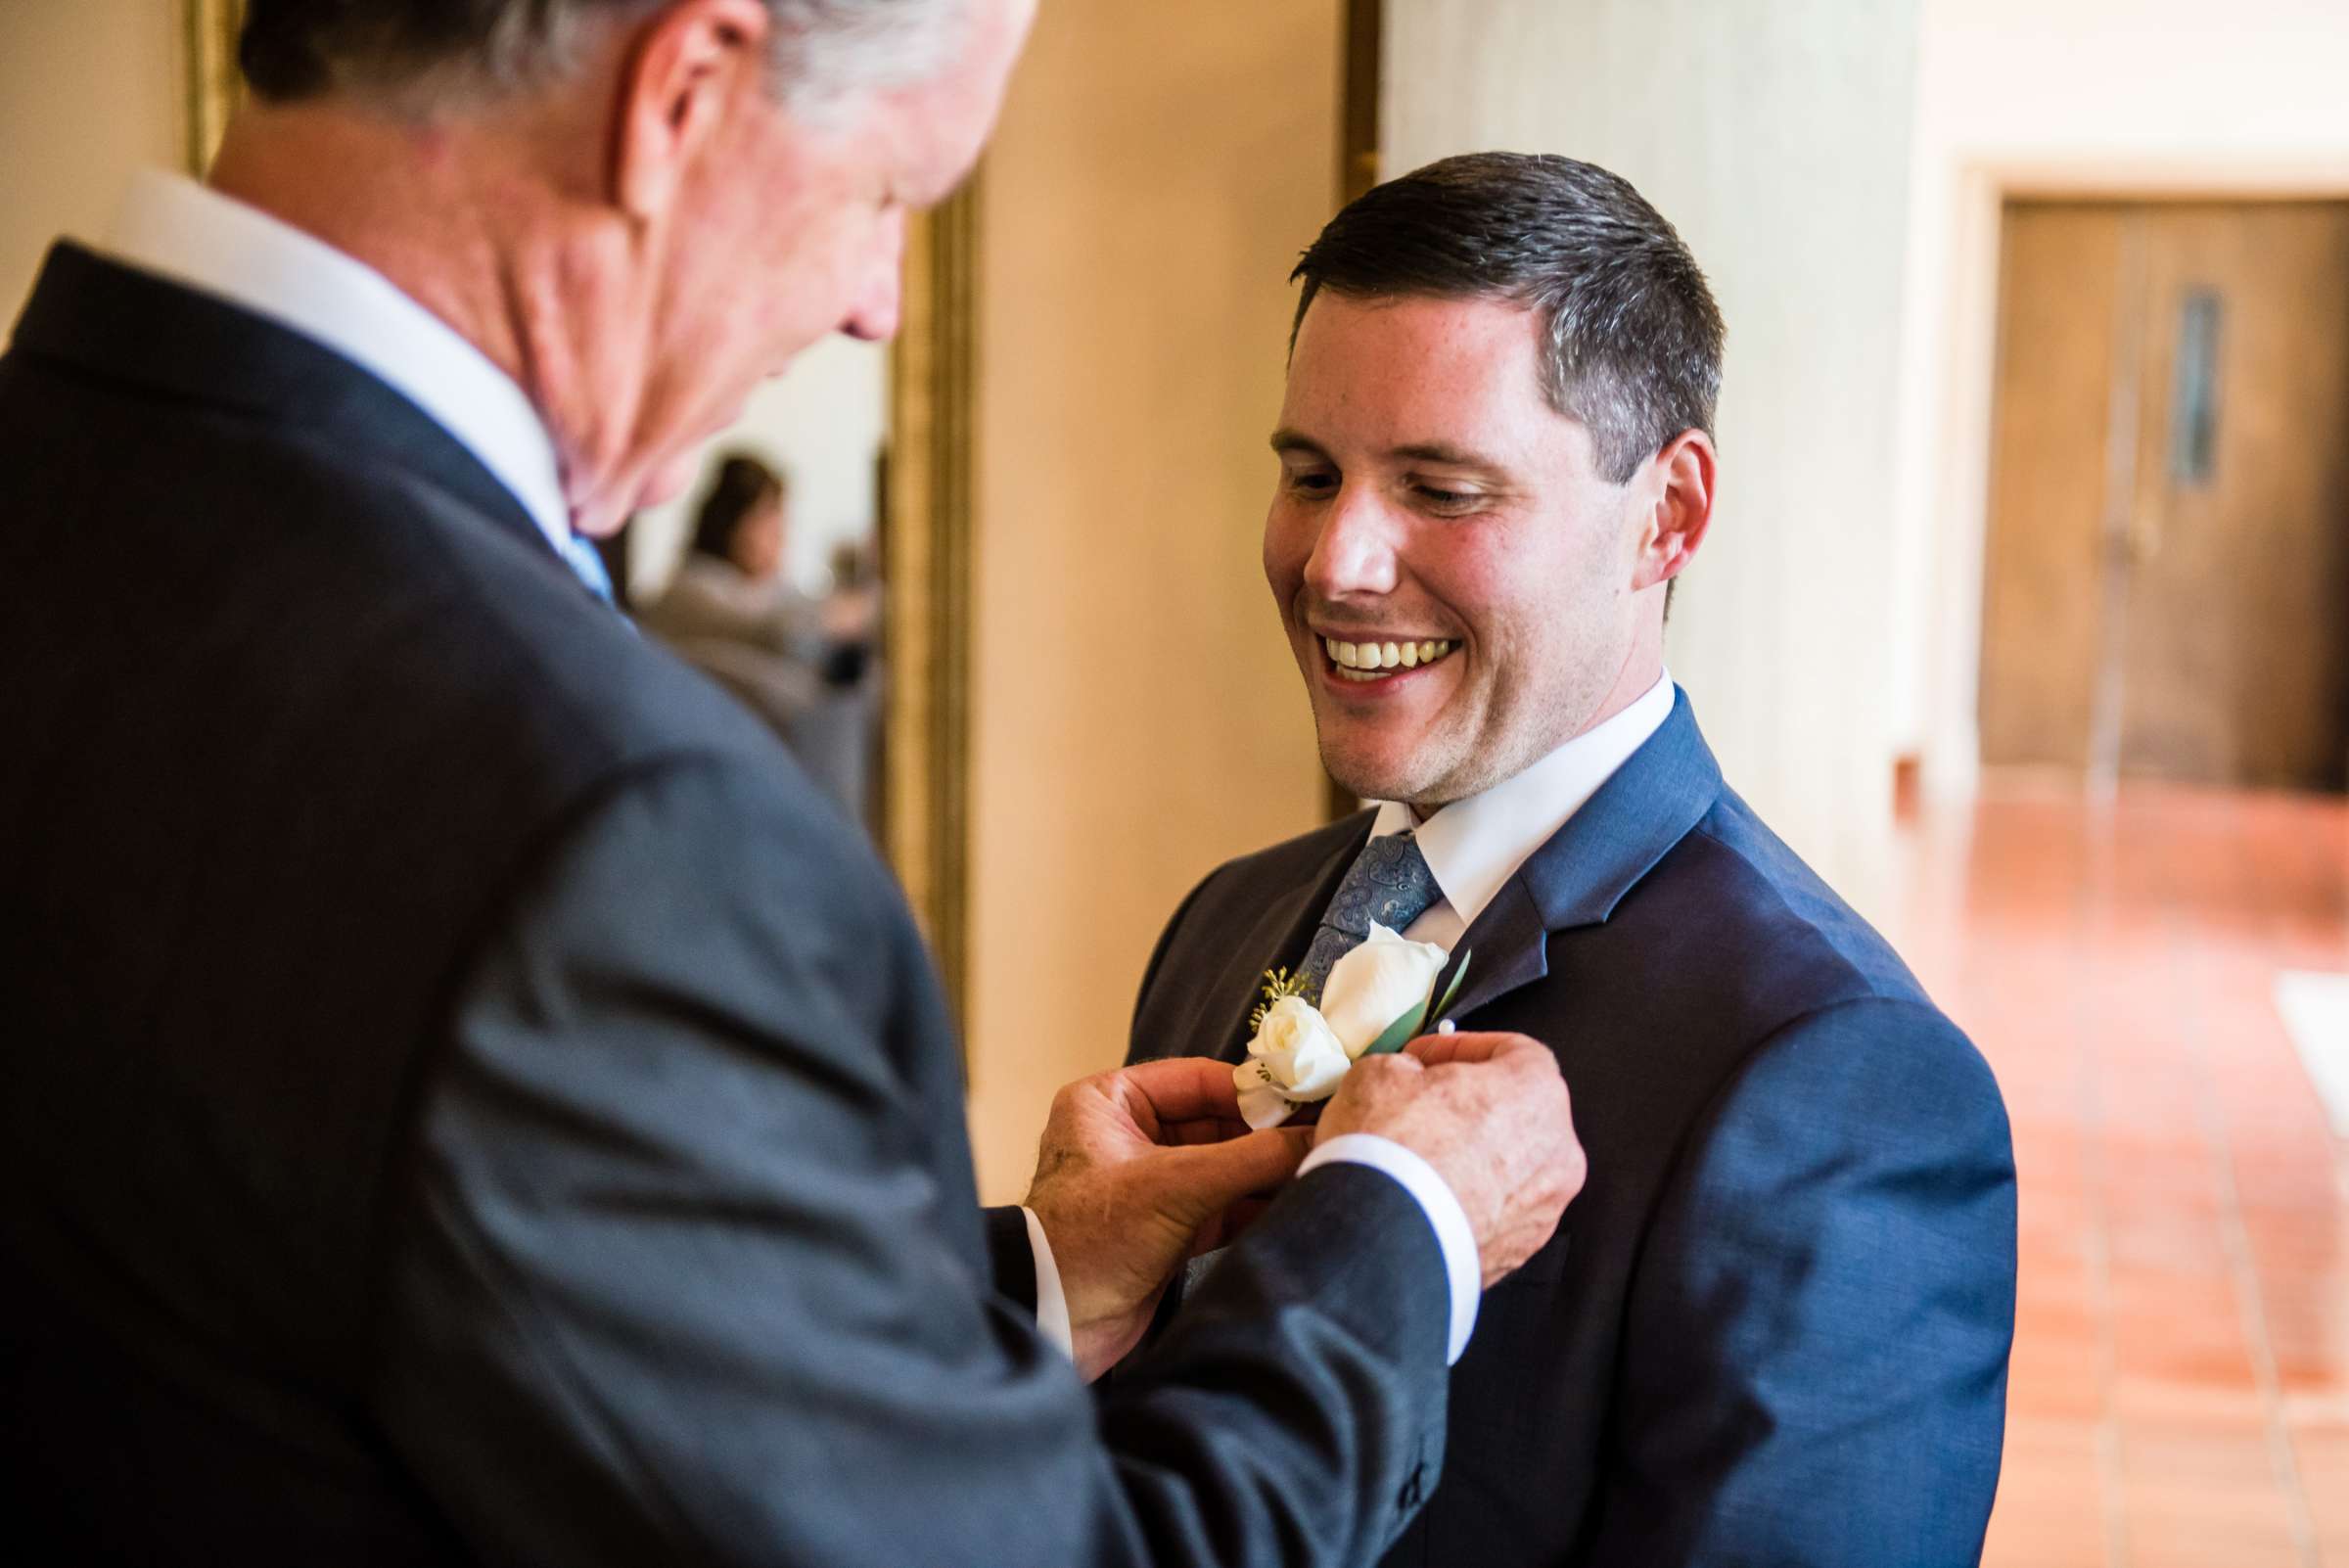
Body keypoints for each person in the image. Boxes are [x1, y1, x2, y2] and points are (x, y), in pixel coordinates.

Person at [0, 5, 1588, 1563]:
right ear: (681, 93)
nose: (876, 304)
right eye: (886, 191)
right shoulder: (607, 833)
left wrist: (1019, 1280)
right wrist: (1401, 1231)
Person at [1125, 152, 2018, 1566]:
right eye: (1311, 472)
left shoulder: (1837, 1081)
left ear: (1667, 515)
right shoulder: (1221, 925)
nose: (1337, 560)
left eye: (1443, 487)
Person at [642, 453, 878, 810]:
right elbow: (781, 634)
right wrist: (851, 613)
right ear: (731, 523)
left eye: (781, 522)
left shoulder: (776, 591)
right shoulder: (689, 592)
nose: (779, 537)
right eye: (766, 521)